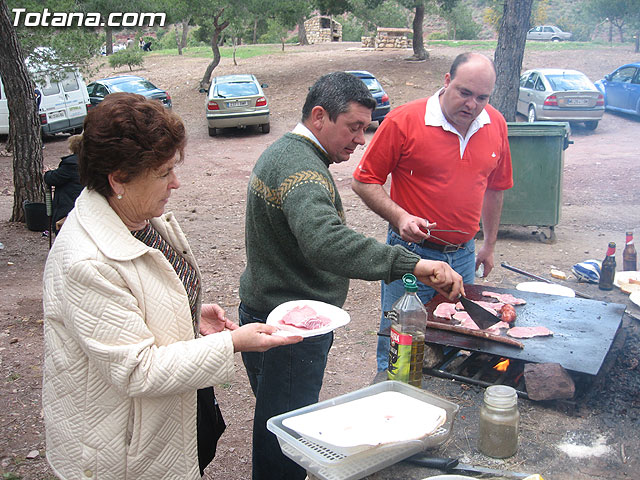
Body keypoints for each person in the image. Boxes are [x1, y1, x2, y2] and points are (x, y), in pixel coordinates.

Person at [42, 92, 302, 480]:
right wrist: (233, 342)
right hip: (120, 451)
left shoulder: (135, 218)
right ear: (119, 180)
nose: (176, 183)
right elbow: (136, 370)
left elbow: (138, 299)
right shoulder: (88, 261)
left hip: (163, 425)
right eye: (164, 173)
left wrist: (189, 313)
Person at [238, 71, 464, 480]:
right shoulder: (301, 171)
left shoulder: (287, 154)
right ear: (320, 116)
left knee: (276, 416)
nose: (361, 140)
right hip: (289, 326)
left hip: (264, 309)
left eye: (366, 128)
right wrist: (411, 263)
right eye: (354, 127)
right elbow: (326, 241)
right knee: (287, 436)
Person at [351, 53, 514, 372]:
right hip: (411, 255)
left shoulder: (495, 123)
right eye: (464, 93)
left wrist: (489, 245)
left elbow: (496, 187)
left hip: (464, 255)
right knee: (401, 344)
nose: (472, 104)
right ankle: (392, 402)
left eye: (482, 97)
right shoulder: (404, 120)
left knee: (455, 337)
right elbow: (364, 181)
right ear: (447, 81)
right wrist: (400, 217)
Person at [44, 134, 83, 232]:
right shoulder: (90, 162)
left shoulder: (70, 164)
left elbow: (52, 179)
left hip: (68, 205)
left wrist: (48, 173)